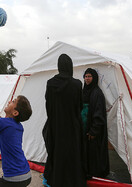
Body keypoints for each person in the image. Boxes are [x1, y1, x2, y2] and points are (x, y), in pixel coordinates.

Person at [42, 54, 87, 187]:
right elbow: (79, 106)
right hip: (73, 126)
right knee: (73, 154)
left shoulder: (50, 84)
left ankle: (57, 180)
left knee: (57, 153)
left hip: (56, 125)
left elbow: (48, 106)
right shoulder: (77, 84)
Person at [82, 68, 109, 178]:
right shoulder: (83, 91)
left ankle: (94, 173)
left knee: (94, 153)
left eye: (89, 76)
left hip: (92, 130)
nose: (87, 79)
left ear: (94, 78)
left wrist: (93, 131)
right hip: (83, 127)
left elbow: (99, 114)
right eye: (85, 76)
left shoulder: (97, 93)